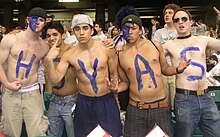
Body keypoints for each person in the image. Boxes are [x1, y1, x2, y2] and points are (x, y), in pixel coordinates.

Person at [113, 8, 190, 137]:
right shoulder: (119, 54)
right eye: (126, 28)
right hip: (136, 109)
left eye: (133, 28)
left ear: (141, 30)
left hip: (160, 107)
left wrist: (177, 69)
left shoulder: (155, 45)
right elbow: (125, 82)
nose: (130, 32)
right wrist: (116, 88)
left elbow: (165, 69)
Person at [45, 14, 122, 137]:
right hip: (84, 102)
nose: (81, 33)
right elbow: (55, 80)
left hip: (106, 99)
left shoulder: (106, 48)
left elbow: (114, 74)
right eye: (77, 29)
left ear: (92, 30)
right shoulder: (70, 55)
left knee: (112, 134)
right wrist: (49, 61)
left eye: (85, 28)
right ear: (73, 32)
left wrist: (116, 99)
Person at [163, 8, 220, 137]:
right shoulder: (169, 45)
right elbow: (149, 55)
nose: (181, 22)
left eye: (184, 19)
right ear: (173, 24)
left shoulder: (202, 40)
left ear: (190, 22)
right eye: (177, 20)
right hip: (185, 99)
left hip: (206, 96)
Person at [0, 7, 49, 137]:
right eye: (34, 19)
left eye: (41, 20)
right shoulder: (11, 39)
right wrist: (6, 84)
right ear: (27, 20)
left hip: (32, 93)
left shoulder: (44, 46)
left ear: (45, 23)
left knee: (37, 133)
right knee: (10, 133)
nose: (37, 22)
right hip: (11, 93)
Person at [45, 22, 78, 137]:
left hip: (71, 100)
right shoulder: (47, 51)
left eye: (55, 34)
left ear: (63, 35)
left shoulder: (72, 50)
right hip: (54, 100)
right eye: (48, 36)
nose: (51, 38)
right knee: (52, 134)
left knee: (73, 134)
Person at [153, 3, 180, 110]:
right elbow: (155, 50)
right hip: (162, 71)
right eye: (165, 13)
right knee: (164, 103)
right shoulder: (159, 33)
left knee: (176, 103)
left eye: (170, 13)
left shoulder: (180, 31)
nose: (167, 15)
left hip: (177, 71)